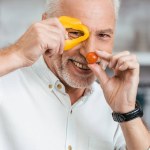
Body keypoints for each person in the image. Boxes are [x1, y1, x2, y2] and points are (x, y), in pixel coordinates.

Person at [0, 0, 150, 150]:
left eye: (103, 35)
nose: (88, 53)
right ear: (45, 25)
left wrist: (127, 111)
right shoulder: (5, 84)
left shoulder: (115, 108)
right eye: (75, 32)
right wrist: (17, 53)